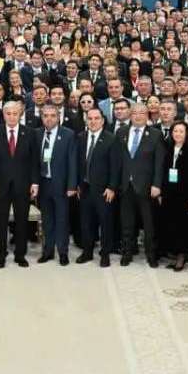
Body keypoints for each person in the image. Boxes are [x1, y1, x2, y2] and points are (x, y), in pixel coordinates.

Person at [0, 100, 38, 268]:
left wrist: (35, 182)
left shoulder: (30, 133)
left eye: (15, 113)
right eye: (8, 113)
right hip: (0, 184)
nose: (12, 117)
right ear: (3, 114)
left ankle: (20, 255)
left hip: (23, 184)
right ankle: (0, 254)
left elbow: (34, 161)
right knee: (0, 221)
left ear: (20, 114)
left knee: (21, 221)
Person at [114, 103, 165, 267]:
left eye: (142, 113)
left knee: (149, 224)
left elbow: (159, 163)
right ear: (130, 114)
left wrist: (157, 184)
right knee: (126, 223)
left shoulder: (156, 134)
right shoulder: (121, 132)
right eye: (134, 113)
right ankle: (127, 253)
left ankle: (151, 255)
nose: (138, 116)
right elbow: (117, 161)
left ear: (147, 115)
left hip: (146, 187)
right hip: (125, 186)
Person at [34, 104, 77, 265]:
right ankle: (48, 251)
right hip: (43, 183)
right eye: (45, 116)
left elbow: (72, 161)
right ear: (41, 117)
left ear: (58, 117)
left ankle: (63, 252)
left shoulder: (68, 134)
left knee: (62, 220)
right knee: (47, 220)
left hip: (61, 185)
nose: (49, 119)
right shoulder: (37, 134)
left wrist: (72, 185)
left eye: (53, 116)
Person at [76, 107, 119, 266]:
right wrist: (77, 184)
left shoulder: (111, 139)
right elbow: (77, 163)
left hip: (104, 190)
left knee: (105, 223)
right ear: (86, 120)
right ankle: (87, 252)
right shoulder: (80, 137)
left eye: (96, 118)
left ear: (102, 120)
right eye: (90, 118)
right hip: (85, 188)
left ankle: (105, 254)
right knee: (86, 222)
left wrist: (112, 187)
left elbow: (116, 166)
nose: (93, 121)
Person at [160, 121, 188, 271]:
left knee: (184, 226)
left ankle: (182, 256)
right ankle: (175, 253)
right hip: (170, 193)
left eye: (181, 131)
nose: (178, 134)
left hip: (185, 195)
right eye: (175, 131)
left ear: (186, 134)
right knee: (172, 224)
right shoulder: (168, 149)